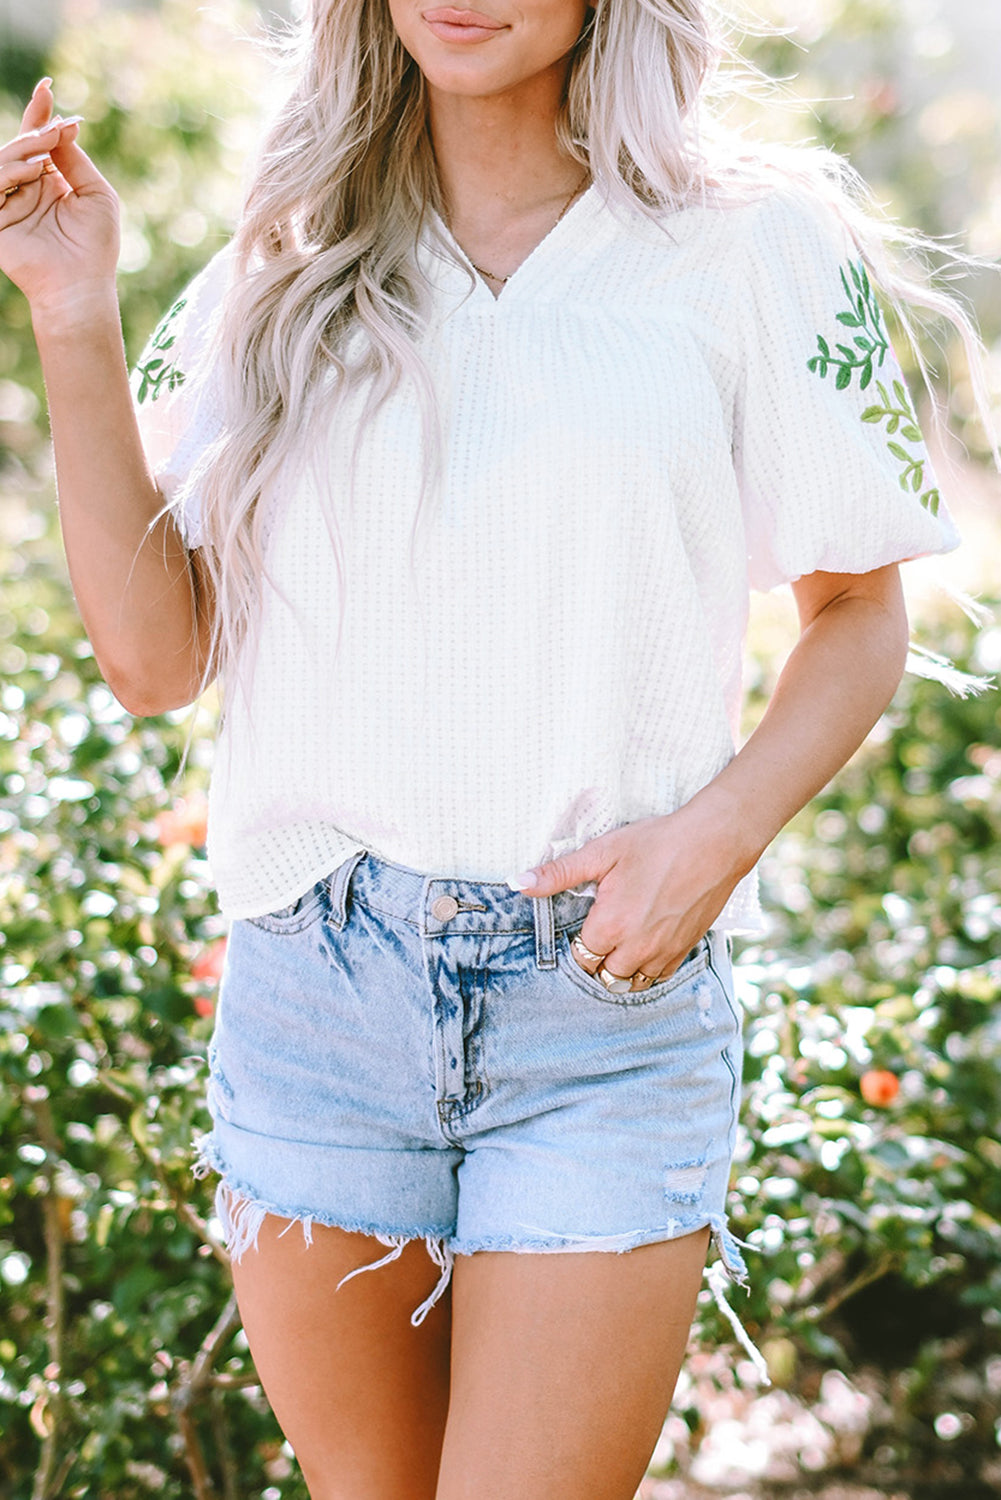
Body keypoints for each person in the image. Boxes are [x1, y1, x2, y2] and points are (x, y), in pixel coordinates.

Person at [0, 1, 989, 1495]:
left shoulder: (749, 245)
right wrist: (72, 312)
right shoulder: (283, 261)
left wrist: (710, 842)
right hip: (316, 999)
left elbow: (855, 608)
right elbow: (155, 658)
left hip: (599, 998)